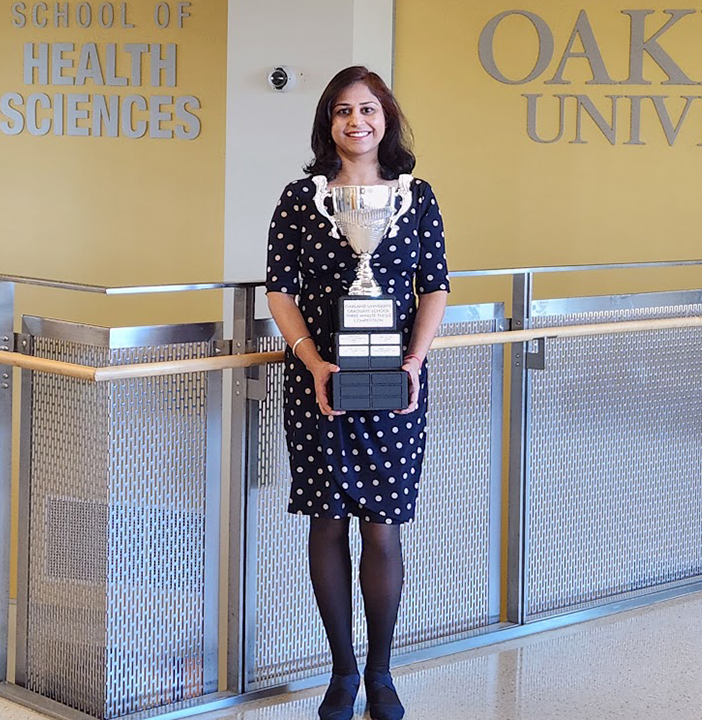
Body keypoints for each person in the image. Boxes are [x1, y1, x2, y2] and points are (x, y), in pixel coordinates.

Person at [264, 66, 450, 720]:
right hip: (321, 385)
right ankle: (341, 673)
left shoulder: (415, 196)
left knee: (383, 527)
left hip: (395, 385)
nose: (356, 122)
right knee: (326, 521)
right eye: (343, 111)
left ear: (386, 118)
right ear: (328, 123)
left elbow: (435, 286)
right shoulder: (302, 198)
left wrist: (415, 362)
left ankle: (381, 672)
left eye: (367, 109)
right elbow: (280, 291)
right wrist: (313, 362)